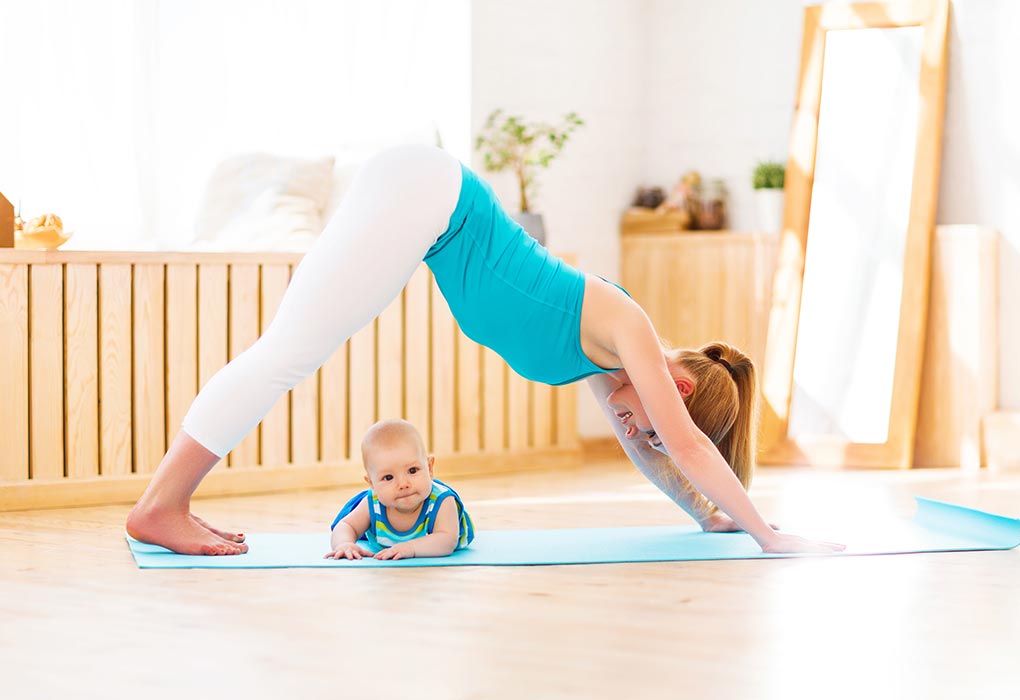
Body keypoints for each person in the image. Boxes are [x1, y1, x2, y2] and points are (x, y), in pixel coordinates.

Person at [126, 144, 844, 556]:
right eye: (647, 419)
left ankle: (166, 502)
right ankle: (162, 505)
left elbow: (656, 453)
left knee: (288, 350)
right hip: (431, 196)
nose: (634, 428)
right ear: (677, 388)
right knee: (287, 351)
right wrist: (766, 537)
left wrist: (705, 516)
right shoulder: (630, 330)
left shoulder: (605, 362)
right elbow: (684, 445)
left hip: (428, 207)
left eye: (639, 429)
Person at [324, 419, 474, 561]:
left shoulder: (442, 502)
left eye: (413, 470)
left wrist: (410, 548)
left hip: (451, 531)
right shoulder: (373, 504)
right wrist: (344, 544)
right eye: (388, 477)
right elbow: (346, 526)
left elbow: (446, 541)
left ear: (429, 468)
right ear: (372, 484)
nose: (403, 484)